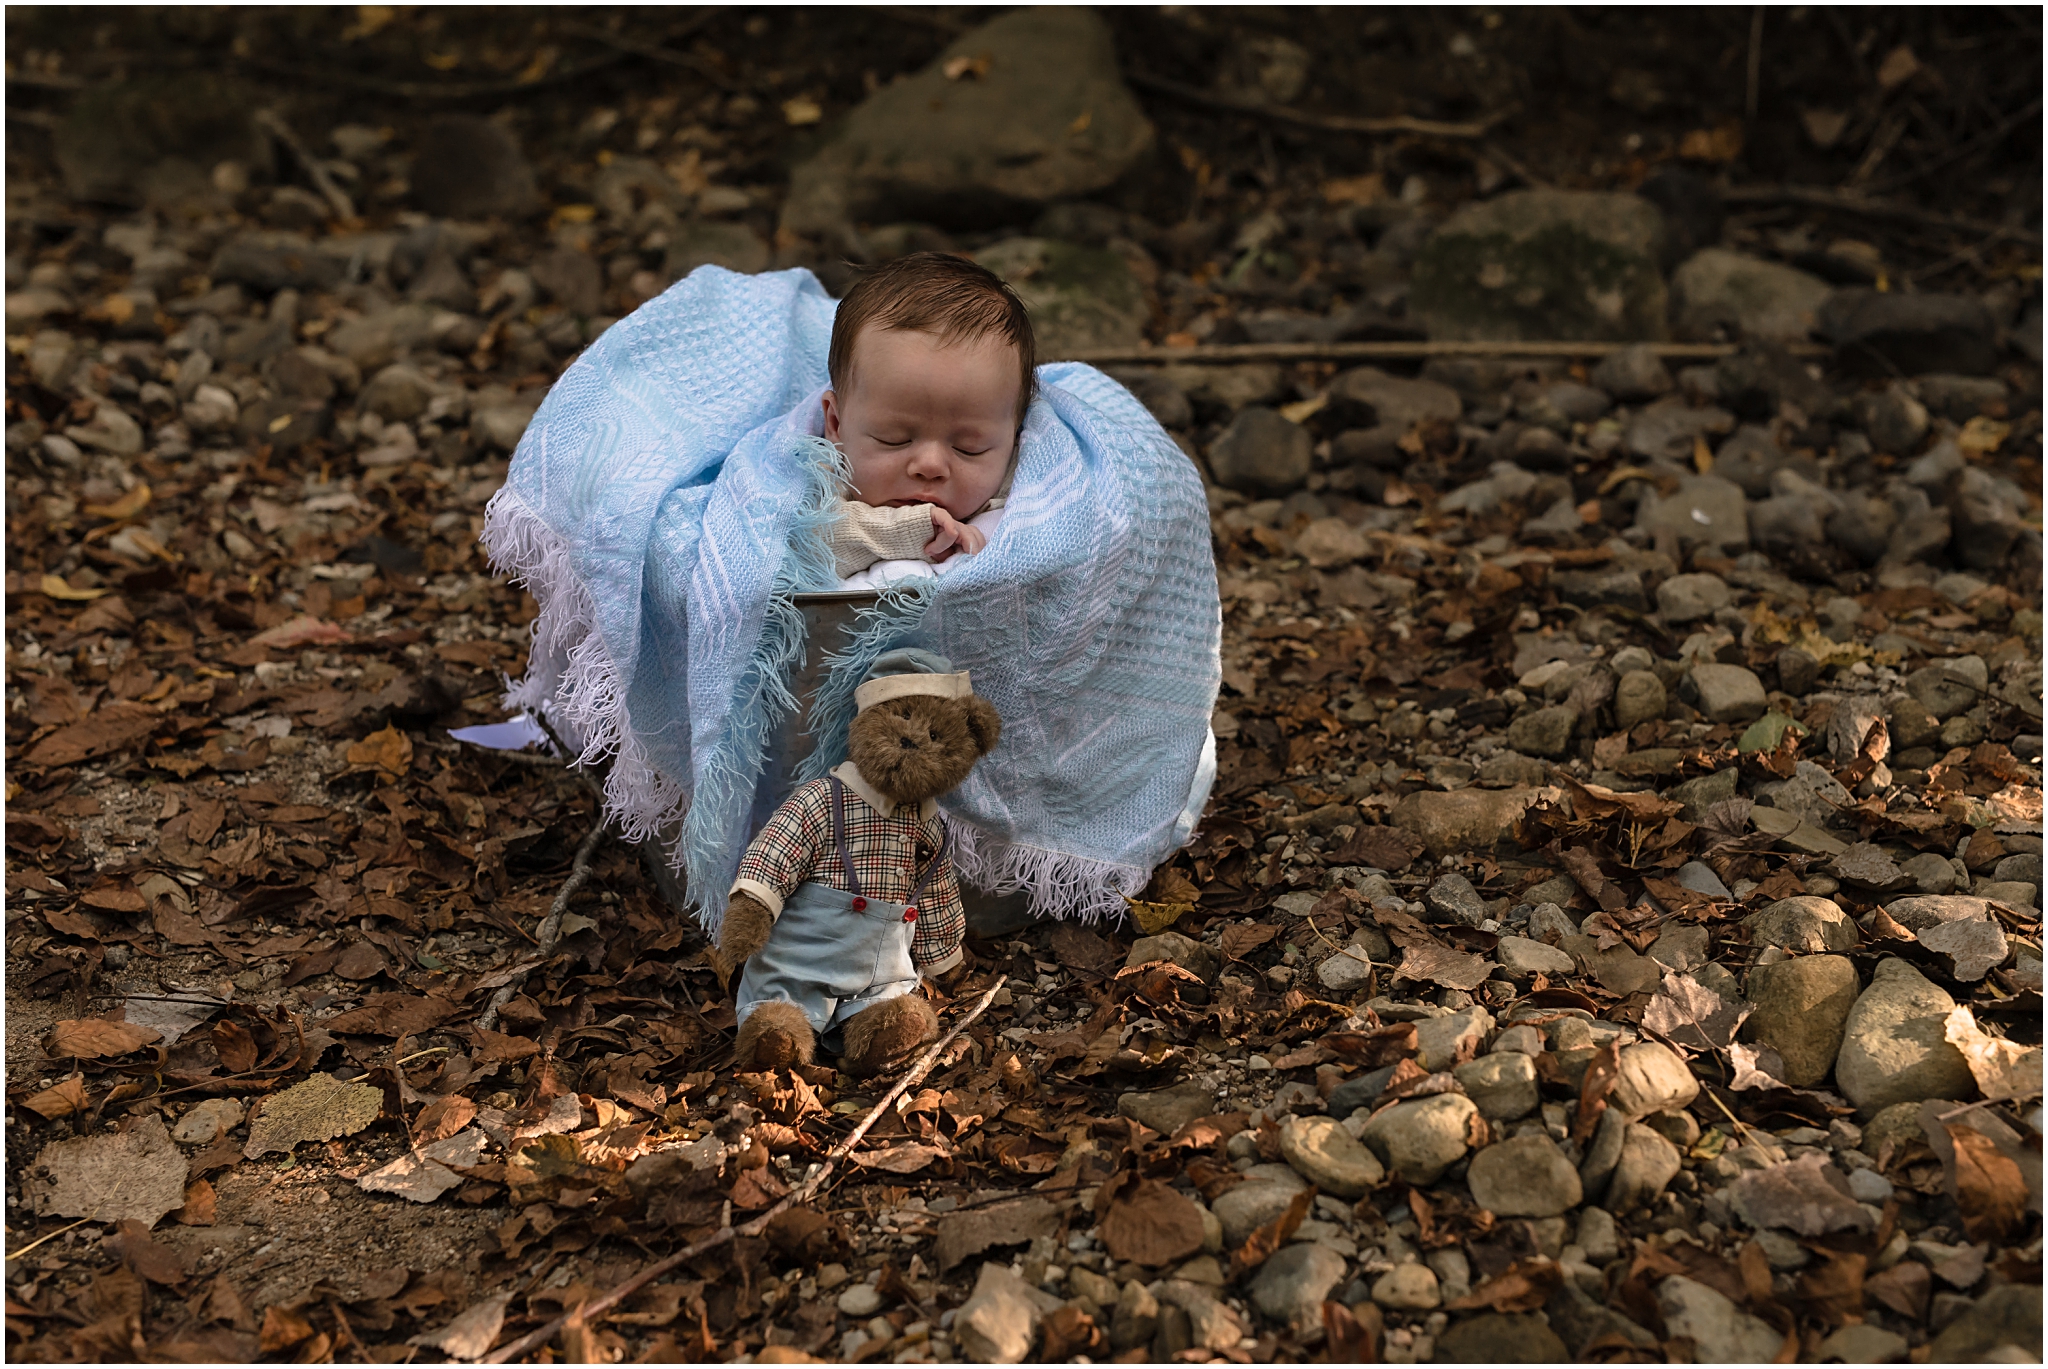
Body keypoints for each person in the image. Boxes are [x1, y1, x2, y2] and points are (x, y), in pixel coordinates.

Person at [820, 252, 1034, 579]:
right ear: (836, 424)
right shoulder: (817, 477)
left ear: (1014, 439)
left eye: (969, 447)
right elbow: (808, 547)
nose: (930, 466)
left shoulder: (1027, 493)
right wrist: (912, 531)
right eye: (894, 438)